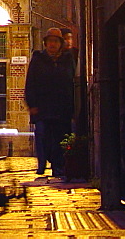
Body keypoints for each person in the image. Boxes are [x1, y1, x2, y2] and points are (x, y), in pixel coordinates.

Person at [25, 28, 76, 180]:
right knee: (42, 135)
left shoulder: (67, 59)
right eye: (50, 41)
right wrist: (32, 103)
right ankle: (42, 163)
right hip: (42, 107)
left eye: (55, 41)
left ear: (60, 44)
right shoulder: (38, 59)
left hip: (61, 107)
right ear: (45, 43)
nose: (52, 44)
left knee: (60, 137)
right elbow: (30, 83)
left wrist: (71, 105)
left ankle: (57, 166)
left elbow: (71, 81)